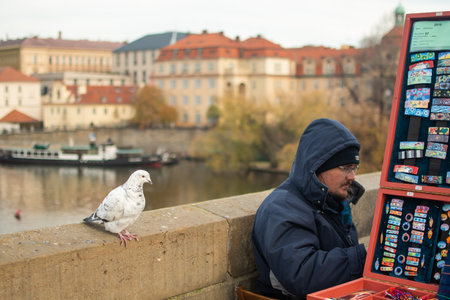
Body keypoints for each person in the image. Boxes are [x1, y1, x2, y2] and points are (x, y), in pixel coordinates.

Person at [251, 118, 367, 299]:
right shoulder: (282, 207)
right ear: (318, 167)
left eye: (355, 168)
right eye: (345, 167)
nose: (352, 176)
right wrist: (362, 257)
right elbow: (302, 275)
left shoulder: (335, 200)